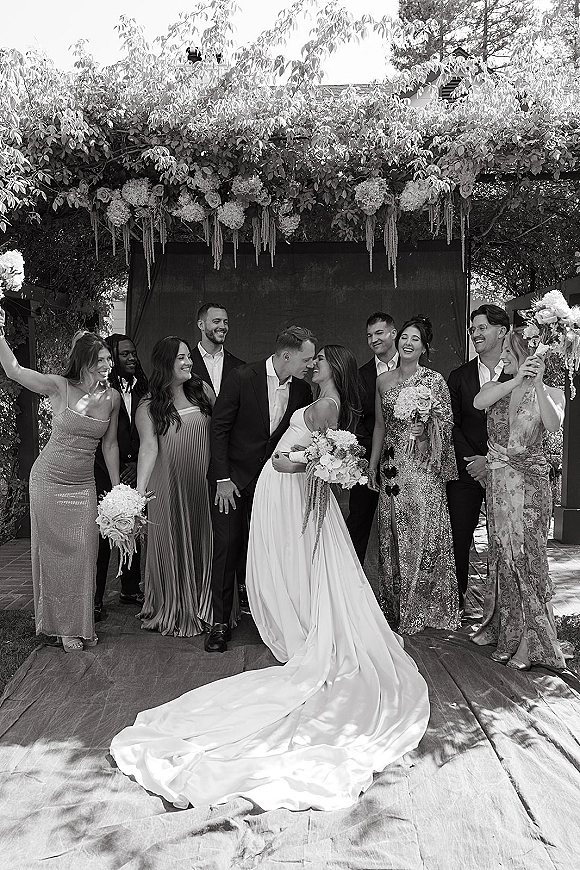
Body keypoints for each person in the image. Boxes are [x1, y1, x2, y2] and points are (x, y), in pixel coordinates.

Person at [110, 345, 429, 812]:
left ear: (332, 369)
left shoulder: (325, 404)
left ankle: (305, 624)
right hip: (282, 493)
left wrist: (290, 464)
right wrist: (296, 463)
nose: (313, 364)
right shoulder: (311, 397)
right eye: (309, 358)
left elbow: (317, 457)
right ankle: (299, 615)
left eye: (319, 360)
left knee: (305, 566)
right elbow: (316, 452)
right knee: (299, 566)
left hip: (291, 491)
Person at [0, 313, 120, 652]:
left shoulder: (112, 398)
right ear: (84, 362)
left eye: (109, 359)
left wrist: (116, 490)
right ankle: (63, 628)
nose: (108, 365)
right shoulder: (59, 386)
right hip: (49, 481)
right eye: (101, 360)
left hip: (83, 486)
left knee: (84, 554)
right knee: (53, 555)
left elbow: (109, 445)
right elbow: (15, 371)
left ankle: (80, 623)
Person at [205, 326, 315, 652]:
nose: (309, 364)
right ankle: (220, 622)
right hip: (233, 480)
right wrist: (222, 478)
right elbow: (219, 428)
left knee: (268, 548)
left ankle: (267, 617)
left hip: (273, 483)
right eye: (305, 358)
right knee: (227, 546)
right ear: (286, 355)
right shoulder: (241, 377)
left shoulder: (303, 391)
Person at [470, 331, 566, 670]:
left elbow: (554, 425)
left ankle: (531, 641)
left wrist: (537, 384)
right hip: (499, 485)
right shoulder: (496, 389)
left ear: (528, 354)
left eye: (510, 351)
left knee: (528, 556)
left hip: (530, 485)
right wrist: (516, 381)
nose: (504, 356)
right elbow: (479, 403)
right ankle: (508, 632)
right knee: (503, 556)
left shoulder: (553, 393)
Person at [369, 316, 460, 635]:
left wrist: (425, 432)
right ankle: (396, 606)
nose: (408, 343)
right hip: (393, 468)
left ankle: (424, 607)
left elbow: (446, 425)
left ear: (425, 347)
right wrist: (372, 463)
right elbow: (380, 426)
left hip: (422, 467)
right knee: (393, 533)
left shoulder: (434, 380)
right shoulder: (383, 381)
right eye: (404, 337)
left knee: (423, 533)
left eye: (415, 340)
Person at [135, 336, 215, 637]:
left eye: (189, 357)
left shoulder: (203, 391)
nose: (188, 362)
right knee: (173, 541)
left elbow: (220, 432)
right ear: (165, 363)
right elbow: (148, 449)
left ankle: (207, 606)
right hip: (168, 485)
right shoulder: (148, 405)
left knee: (203, 539)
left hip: (203, 484)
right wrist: (139, 494)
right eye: (181, 357)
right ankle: (176, 607)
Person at [446, 304, 510, 610]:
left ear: (502, 331)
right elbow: (450, 424)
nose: (476, 333)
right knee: (458, 538)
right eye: (473, 328)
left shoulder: (517, 372)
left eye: (482, 327)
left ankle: (501, 611)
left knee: (506, 543)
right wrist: (475, 462)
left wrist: (492, 461)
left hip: (509, 471)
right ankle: (455, 608)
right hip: (466, 471)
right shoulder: (459, 376)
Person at [94, 334, 148, 621]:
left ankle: (130, 588)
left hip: (137, 469)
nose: (131, 358)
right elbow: (102, 439)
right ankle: (96, 598)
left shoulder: (145, 388)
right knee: (103, 536)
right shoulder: (102, 391)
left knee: (134, 527)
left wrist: (138, 463)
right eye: (125, 354)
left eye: (133, 353)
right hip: (104, 471)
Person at [346, 312, 398, 564]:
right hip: (368, 459)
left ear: (393, 333)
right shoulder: (360, 375)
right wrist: (368, 457)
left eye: (379, 333)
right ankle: (349, 583)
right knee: (358, 521)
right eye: (369, 335)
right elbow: (355, 417)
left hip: (407, 460)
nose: (373, 340)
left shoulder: (413, 367)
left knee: (403, 524)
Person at [191, 302, 245, 396]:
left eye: (225, 322)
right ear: (201, 325)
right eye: (216, 321)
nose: (223, 326)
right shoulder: (185, 364)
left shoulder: (240, 366)